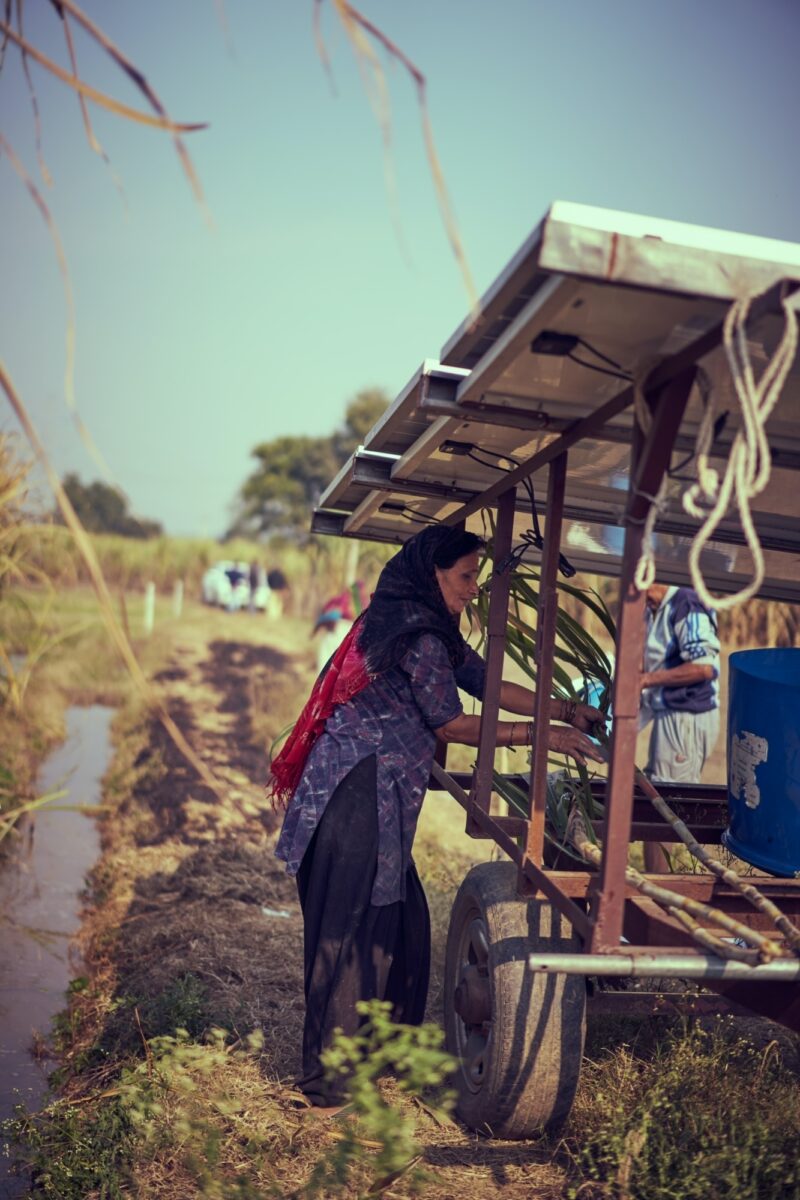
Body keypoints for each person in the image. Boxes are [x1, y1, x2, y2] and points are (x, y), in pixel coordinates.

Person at [269, 525, 604, 1111]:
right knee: (348, 934)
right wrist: (545, 735)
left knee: (401, 923)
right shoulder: (419, 636)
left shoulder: (428, 630)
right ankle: (329, 1083)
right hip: (355, 794)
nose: (473, 589)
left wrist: (565, 708)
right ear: (433, 575)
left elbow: (486, 681)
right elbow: (451, 723)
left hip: (377, 793)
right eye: (465, 577)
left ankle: (375, 1059)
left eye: (477, 576)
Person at [640, 582, 720, 870]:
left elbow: (704, 667)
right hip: (670, 715)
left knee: (666, 808)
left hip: (685, 717)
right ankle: (658, 881)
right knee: (657, 801)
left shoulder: (685, 602)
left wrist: (646, 680)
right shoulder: (657, 608)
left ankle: (664, 889)